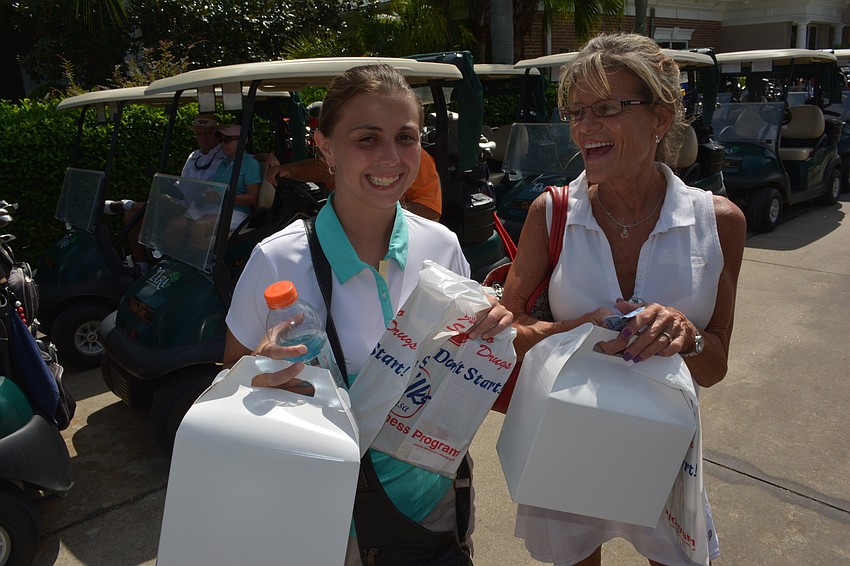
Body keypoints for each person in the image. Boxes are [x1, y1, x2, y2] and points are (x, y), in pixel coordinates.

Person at [223, 63, 513, 565]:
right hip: (329, 515)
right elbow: (228, 380)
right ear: (325, 146)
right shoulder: (277, 259)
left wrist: (493, 330)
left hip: (432, 506)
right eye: (367, 138)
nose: (391, 157)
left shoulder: (441, 247)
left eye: (406, 137)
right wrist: (259, 376)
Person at [500, 33, 746, 566]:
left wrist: (687, 332)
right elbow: (507, 329)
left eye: (607, 108)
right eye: (575, 112)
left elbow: (716, 365)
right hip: (565, 438)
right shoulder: (553, 212)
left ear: (660, 118)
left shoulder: (718, 222)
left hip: (666, 448)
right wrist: (579, 328)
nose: (585, 128)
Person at [105, 113, 227, 272]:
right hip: (186, 202)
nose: (202, 138)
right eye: (198, 134)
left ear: (216, 134)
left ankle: (128, 205)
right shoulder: (194, 157)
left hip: (203, 208)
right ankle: (142, 266)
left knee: (171, 223)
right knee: (133, 217)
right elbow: (184, 183)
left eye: (207, 134)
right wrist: (173, 189)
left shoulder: (225, 158)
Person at [265, 145, 443, 221]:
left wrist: (376, 216)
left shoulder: (415, 158)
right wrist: (289, 171)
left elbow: (430, 211)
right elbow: (323, 169)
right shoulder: (349, 156)